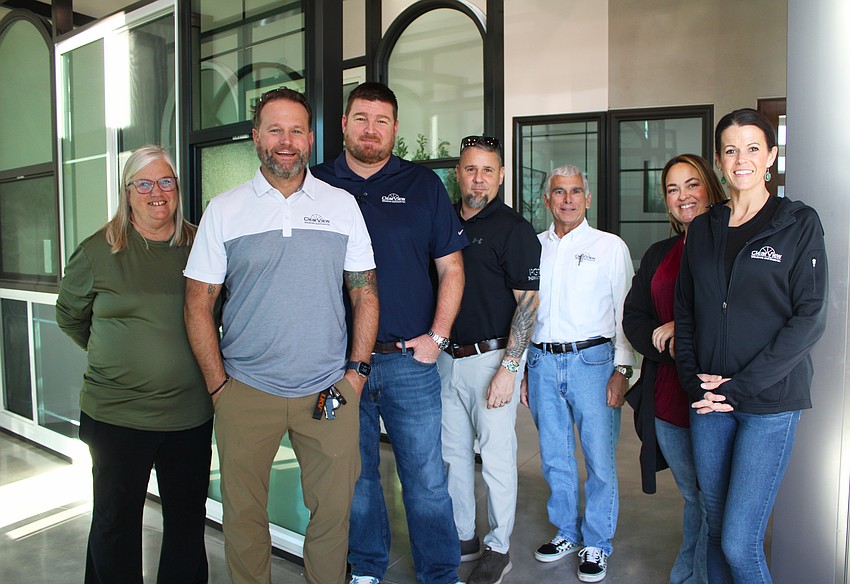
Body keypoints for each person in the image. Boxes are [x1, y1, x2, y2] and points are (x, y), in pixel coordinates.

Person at [184, 87, 378, 584]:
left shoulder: (341, 205)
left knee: (333, 515)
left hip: (328, 390)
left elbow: (365, 294)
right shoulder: (224, 210)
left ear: (311, 139)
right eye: (275, 129)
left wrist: (355, 376)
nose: (286, 141)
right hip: (246, 390)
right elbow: (198, 304)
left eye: (296, 130)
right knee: (245, 520)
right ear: (256, 138)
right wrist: (219, 389)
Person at [311, 81, 467, 584]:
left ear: (396, 128)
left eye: (382, 120)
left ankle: (439, 574)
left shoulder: (422, 186)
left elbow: (452, 269)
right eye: (361, 118)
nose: (371, 129)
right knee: (355, 479)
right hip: (337, 363)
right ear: (344, 124)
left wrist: (437, 338)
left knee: (425, 480)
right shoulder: (315, 185)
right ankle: (367, 569)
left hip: (408, 361)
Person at [675, 108, 828, 583]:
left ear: (771, 157)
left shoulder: (798, 222)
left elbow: (810, 318)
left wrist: (740, 388)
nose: (741, 159)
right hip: (708, 401)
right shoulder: (703, 228)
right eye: (730, 150)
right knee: (717, 527)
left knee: (740, 541)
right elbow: (686, 313)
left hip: (769, 402)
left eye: (753, 148)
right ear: (719, 162)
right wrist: (691, 380)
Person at [56, 145, 213, 584]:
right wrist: (116, 356)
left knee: (185, 524)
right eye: (143, 183)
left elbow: (223, 313)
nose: (156, 192)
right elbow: (70, 315)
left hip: (188, 417)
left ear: (177, 189)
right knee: (114, 524)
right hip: (116, 417)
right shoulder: (97, 251)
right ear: (128, 192)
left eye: (166, 181)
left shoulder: (201, 244)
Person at [521, 164, 636, 583]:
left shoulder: (610, 246)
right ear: (547, 199)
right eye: (558, 191)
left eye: (574, 192)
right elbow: (524, 311)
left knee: (600, 459)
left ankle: (597, 543)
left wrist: (623, 369)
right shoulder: (532, 247)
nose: (567, 199)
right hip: (542, 362)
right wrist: (522, 372)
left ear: (587, 198)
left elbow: (627, 313)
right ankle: (567, 531)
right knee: (554, 457)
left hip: (594, 362)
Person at [438, 136, 541, 584]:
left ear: (500, 176)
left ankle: (499, 547)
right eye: (470, 169)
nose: (478, 179)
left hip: (491, 358)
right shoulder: (442, 221)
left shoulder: (512, 228)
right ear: (458, 173)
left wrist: (509, 368)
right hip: (445, 360)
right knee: (452, 455)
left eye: (487, 170)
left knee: (496, 458)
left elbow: (529, 304)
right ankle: (464, 536)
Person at [623, 154, 725, 584]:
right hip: (667, 397)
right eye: (672, 189)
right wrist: (670, 345)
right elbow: (634, 318)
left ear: (711, 189)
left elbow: (735, 317)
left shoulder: (731, 244)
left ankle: (692, 575)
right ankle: (691, 573)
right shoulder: (660, 252)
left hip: (713, 395)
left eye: (692, 184)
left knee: (712, 501)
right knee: (693, 496)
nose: (683, 196)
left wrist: (678, 330)